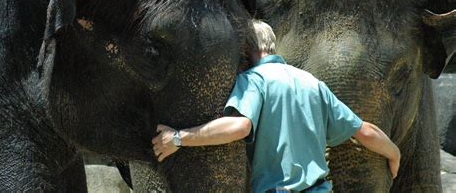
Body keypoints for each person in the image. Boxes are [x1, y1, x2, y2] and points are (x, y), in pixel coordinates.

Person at [152, 20, 400, 192]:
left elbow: (239, 127)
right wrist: (394, 153)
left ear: (245, 49)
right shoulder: (312, 82)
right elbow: (365, 131)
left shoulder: (253, 81)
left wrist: (178, 138)